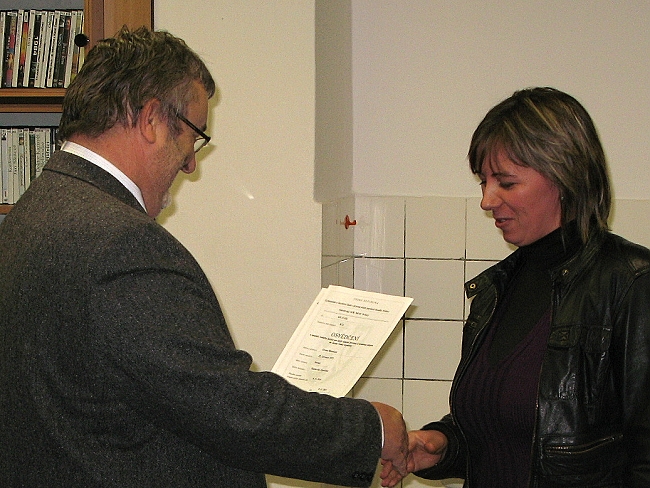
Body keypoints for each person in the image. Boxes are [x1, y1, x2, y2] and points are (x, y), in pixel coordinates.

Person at [0, 27, 408, 488]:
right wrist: (371, 429)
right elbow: (232, 410)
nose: (191, 163)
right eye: (194, 136)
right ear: (152, 120)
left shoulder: (28, 216)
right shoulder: (122, 245)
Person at [381, 87, 650, 487]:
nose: (487, 200)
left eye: (506, 183)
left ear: (565, 178)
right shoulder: (497, 287)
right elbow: (507, 429)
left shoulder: (632, 284)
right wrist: (443, 444)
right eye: (483, 182)